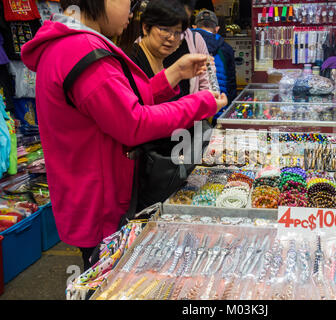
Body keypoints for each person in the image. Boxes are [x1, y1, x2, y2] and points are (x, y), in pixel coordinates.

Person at [21, 0, 227, 271]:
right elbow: (134, 123)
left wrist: (174, 73)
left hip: (91, 193)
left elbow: (120, 106)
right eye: (127, 2)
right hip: (100, 203)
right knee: (106, 278)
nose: (130, 12)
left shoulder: (72, 43)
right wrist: (201, 103)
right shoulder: (79, 49)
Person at [192, 9, 237, 117]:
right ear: (217, 29)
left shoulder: (183, 43)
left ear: (194, 27)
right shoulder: (226, 48)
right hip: (219, 107)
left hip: (191, 109)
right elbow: (231, 83)